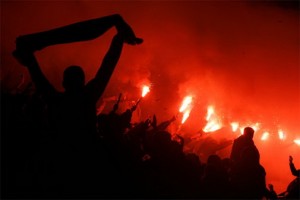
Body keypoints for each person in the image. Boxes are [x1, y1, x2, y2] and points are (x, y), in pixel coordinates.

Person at [13, 15, 143, 146]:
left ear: (64, 83)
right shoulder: (88, 98)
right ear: (83, 82)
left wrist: (29, 57)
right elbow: (108, 64)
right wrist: (119, 39)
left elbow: (38, 77)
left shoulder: (55, 100)